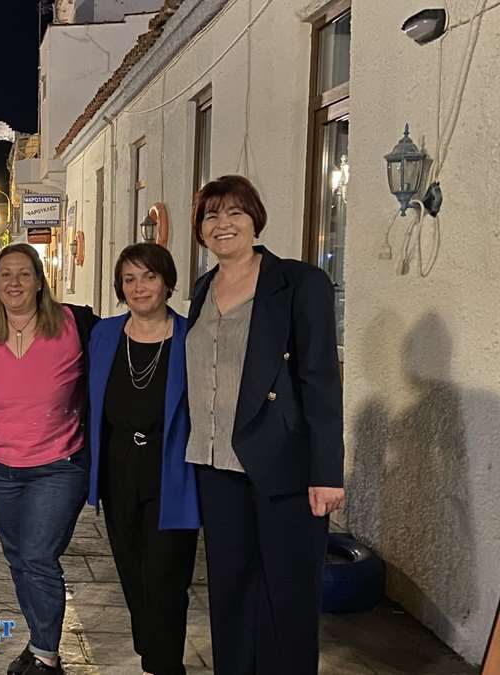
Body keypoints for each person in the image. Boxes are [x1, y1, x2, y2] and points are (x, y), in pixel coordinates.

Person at [185, 175, 344, 674]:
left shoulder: (299, 283)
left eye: (234, 211)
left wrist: (326, 472)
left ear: (255, 219)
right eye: (211, 215)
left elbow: (321, 380)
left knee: (287, 596)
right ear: (200, 230)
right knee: (230, 592)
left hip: (283, 464)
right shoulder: (203, 289)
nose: (223, 223)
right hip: (215, 462)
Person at [0, 243, 96, 675]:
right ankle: (39, 642)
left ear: (39, 281)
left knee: (38, 557)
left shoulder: (73, 324)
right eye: (5, 274)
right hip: (1, 466)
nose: (14, 282)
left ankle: (46, 656)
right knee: (18, 559)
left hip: (58, 464)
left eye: (24, 273)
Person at [87, 243, 199, 675]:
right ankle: (152, 649)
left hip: (172, 470)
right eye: (129, 279)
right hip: (118, 469)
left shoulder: (192, 336)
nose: (139, 287)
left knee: (167, 576)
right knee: (132, 571)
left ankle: (165, 664)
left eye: (149, 276)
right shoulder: (104, 335)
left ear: (167, 282)